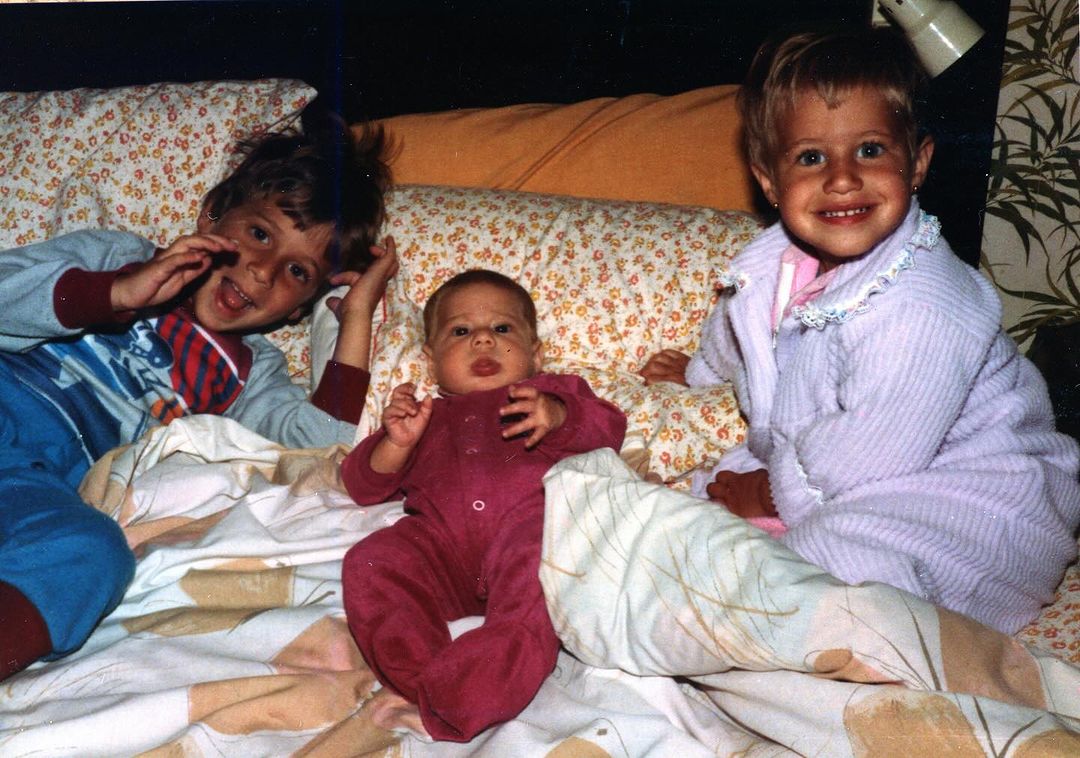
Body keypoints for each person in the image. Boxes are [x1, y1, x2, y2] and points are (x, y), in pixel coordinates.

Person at [639, 27, 1080, 634]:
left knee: (846, 564)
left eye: (870, 150)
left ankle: (888, 645)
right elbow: (740, 333)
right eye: (811, 157)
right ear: (769, 181)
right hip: (834, 466)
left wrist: (770, 496)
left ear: (918, 162)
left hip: (977, 492)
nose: (842, 178)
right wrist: (697, 373)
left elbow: (880, 444)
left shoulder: (923, 302)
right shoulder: (771, 268)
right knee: (678, 523)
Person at [0, 121, 397, 680]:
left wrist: (354, 317)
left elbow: (322, 449)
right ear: (213, 214)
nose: (262, 270)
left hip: (34, 480)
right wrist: (114, 293)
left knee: (96, 554)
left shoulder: (250, 368)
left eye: (297, 272)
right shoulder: (118, 254)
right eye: (260, 234)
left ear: (299, 309)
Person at [340, 269, 627, 741]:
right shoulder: (425, 417)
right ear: (431, 360)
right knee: (372, 561)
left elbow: (608, 428)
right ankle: (424, 678)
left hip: (528, 533)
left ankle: (478, 688)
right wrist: (396, 442)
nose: (482, 342)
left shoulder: (551, 395)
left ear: (535, 353)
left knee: (542, 568)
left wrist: (558, 415)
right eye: (460, 331)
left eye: (502, 329)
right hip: (442, 551)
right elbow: (361, 484)